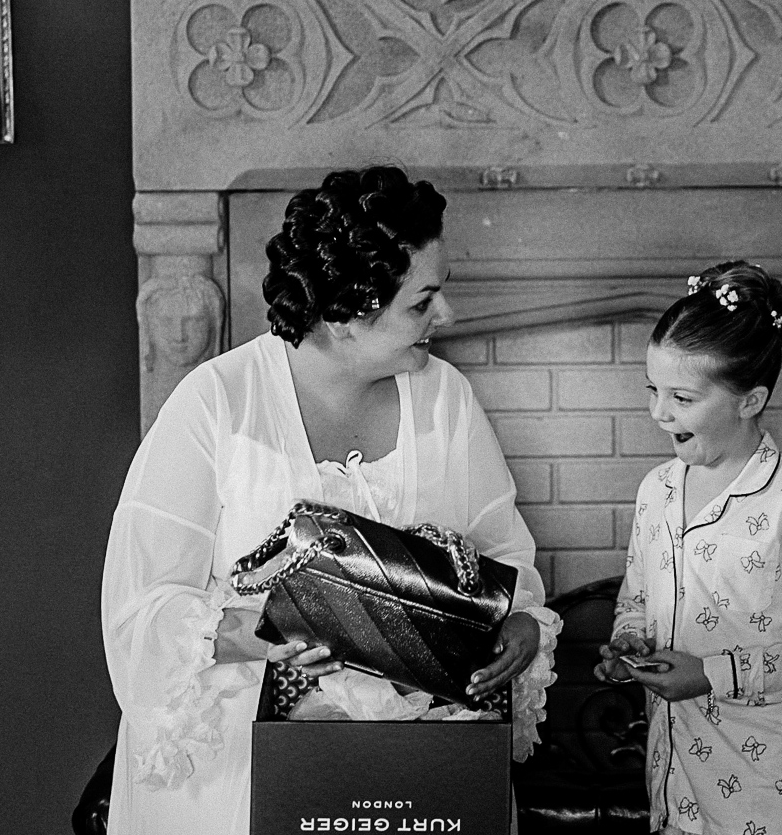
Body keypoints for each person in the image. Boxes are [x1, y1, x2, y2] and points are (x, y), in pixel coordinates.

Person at [101, 166, 559, 835]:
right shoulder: (217, 402)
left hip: (413, 780)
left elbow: (504, 559)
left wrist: (521, 626)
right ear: (348, 311)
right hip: (245, 771)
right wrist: (269, 634)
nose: (446, 316)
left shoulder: (446, 398)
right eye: (423, 300)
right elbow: (142, 608)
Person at [595, 261, 782, 835]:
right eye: (653, 390)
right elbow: (637, 599)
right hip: (672, 784)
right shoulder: (657, 492)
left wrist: (713, 674)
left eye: (682, 397)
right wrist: (629, 645)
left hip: (766, 794)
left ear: (749, 401)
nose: (658, 412)